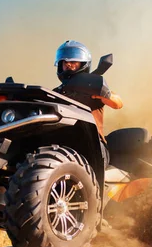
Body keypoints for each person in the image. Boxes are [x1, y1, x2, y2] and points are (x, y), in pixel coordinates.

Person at [53, 40, 124, 169]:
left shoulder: (93, 87)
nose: (68, 64)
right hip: (63, 146)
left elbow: (117, 103)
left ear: (83, 64)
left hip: (94, 148)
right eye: (64, 62)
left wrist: (103, 94)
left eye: (73, 61)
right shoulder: (56, 93)